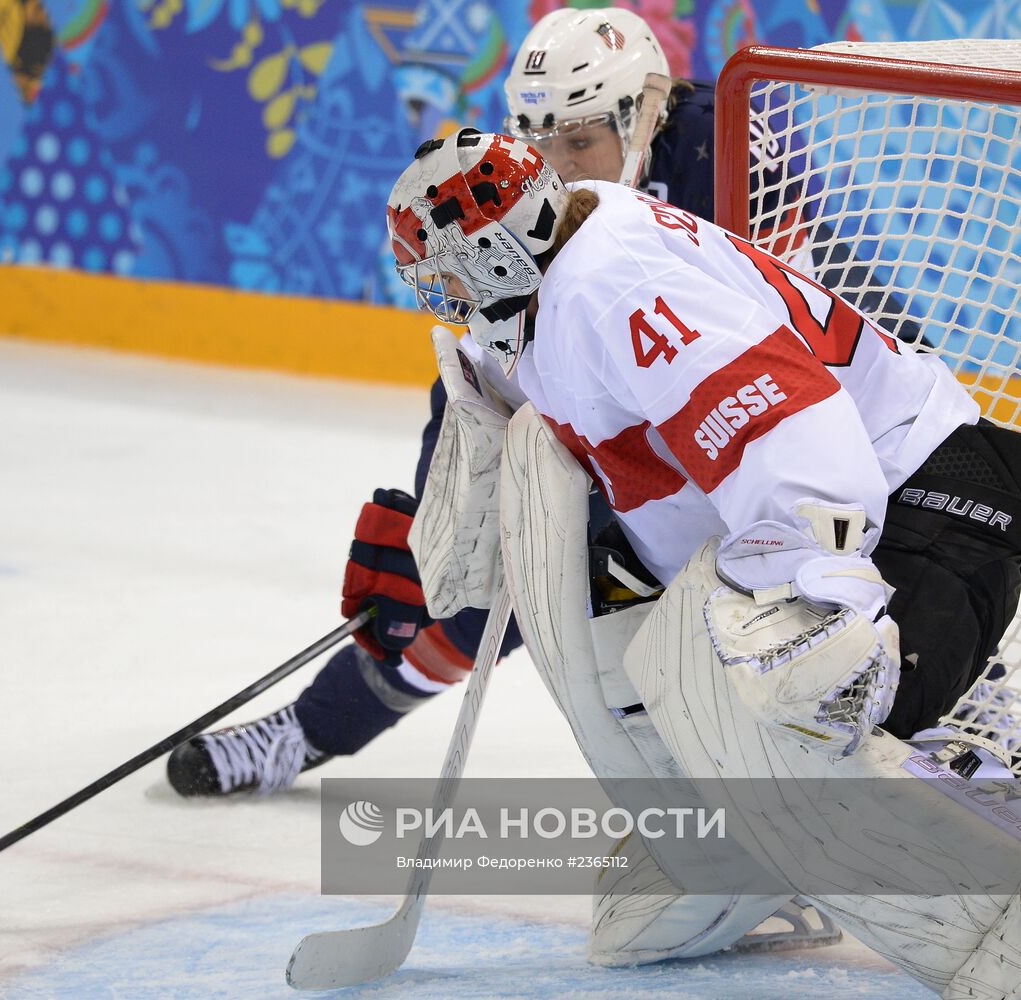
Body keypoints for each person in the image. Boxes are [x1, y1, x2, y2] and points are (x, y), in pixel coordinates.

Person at [380, 127, 1021, 995]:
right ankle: (754, 863)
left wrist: (829, 603)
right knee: (748, 751)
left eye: (449, 270)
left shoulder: (617, 288)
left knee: (822, 727)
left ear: (496, 251)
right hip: (871, 500)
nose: (443, 293)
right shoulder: (562, 270)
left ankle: (980, 782)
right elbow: (537, 386)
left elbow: (785, 430)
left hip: (925, 493)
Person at [153, 7, 821, 802]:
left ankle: (770, 817)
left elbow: (780, 346)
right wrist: (435, 531)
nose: (558, 168)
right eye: (539, 142)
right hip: (644, 422)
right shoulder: (524, 192)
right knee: (488, 583)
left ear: (641, 115)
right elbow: (477, 366)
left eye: (578, 142)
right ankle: (305, 731)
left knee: (709, 623)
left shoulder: (728, 150)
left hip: (780, 430)